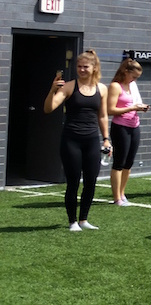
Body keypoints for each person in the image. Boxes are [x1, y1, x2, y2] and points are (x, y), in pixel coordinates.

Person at [43, 49, 110, 231]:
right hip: (71, 139)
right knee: (73, 182)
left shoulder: (102, 88)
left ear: (94, 68)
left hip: (91, 140)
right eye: (79, 67)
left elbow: (103, 116)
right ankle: (72, 221)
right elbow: (48, 108)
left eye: (85, 67)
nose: (81, 70)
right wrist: (52, 90)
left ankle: (83, 220)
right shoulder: (69, 86)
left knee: (91, 181)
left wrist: (106, 139)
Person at [107, 58, 150, 206]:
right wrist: (131, 108)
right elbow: (110, 110)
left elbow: (135, 103)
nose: (135, 80)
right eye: (134, 76)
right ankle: (116, 197)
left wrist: (141, 107)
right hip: (120, 127)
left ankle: (122, 193)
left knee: (129, 163)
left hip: (134, 125)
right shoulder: (115, 86)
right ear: (126, 71)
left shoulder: (133, 86)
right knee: (119, 161)